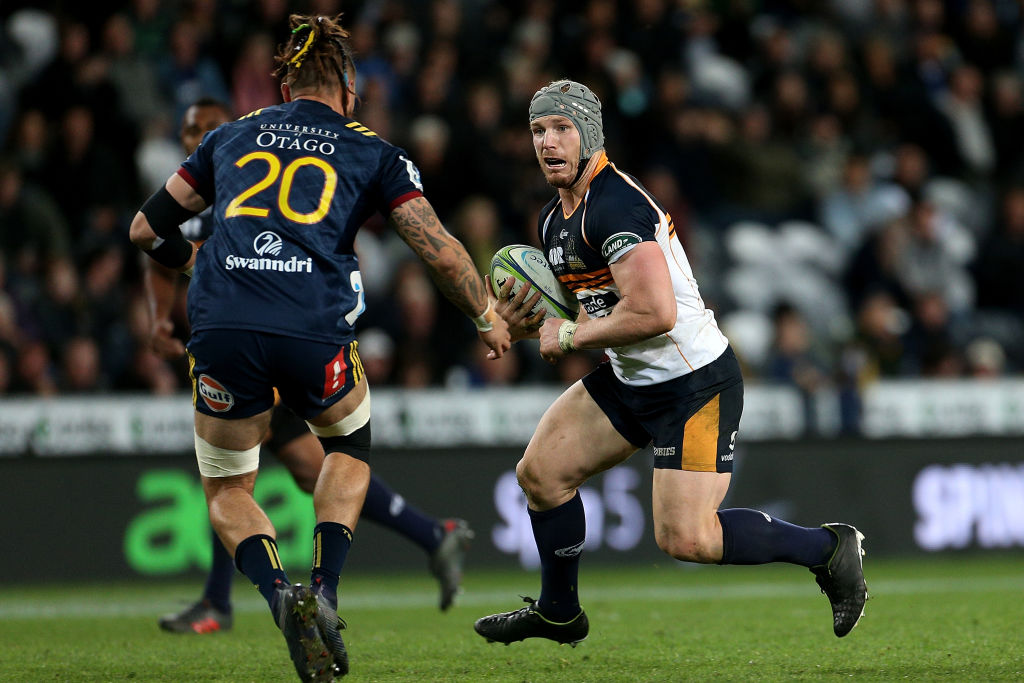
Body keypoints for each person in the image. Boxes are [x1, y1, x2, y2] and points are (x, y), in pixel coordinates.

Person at [129, 15, 509, 682]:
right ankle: (325, 591)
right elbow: (440, 250)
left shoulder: (227, 137)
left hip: (222, 327)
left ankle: (280, 597)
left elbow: (143, 229)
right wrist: (484, 313)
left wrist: (195, 262)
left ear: (284, 83)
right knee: (347, 445)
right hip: (312, 326)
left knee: (226, 484)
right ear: (349, 87)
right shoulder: (373, 151)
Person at [473, 80, 867, 648]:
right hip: (633, 377)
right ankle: (560, 613)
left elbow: (654, 312)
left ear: (589, 135)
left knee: (687, 539)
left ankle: (829, 549)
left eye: (561, 128)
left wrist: (574, 335)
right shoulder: (553, 219)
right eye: (538, 131)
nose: (548, 142)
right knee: (541, 475)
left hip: (695, 383)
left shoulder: (616, 204)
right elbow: (578, 304)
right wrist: (513, 321)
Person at [148, 98, 475, 636]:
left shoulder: (234, 179)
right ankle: (432, 535)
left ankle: (220, 601)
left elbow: (156, 237)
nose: (198, 135)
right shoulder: (208, 185)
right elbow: (158, 253)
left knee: (237, 473)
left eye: (208, 127)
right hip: (252, 344)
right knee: (309, 468)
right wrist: (160, 317)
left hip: (255, 351)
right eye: (191, 128)